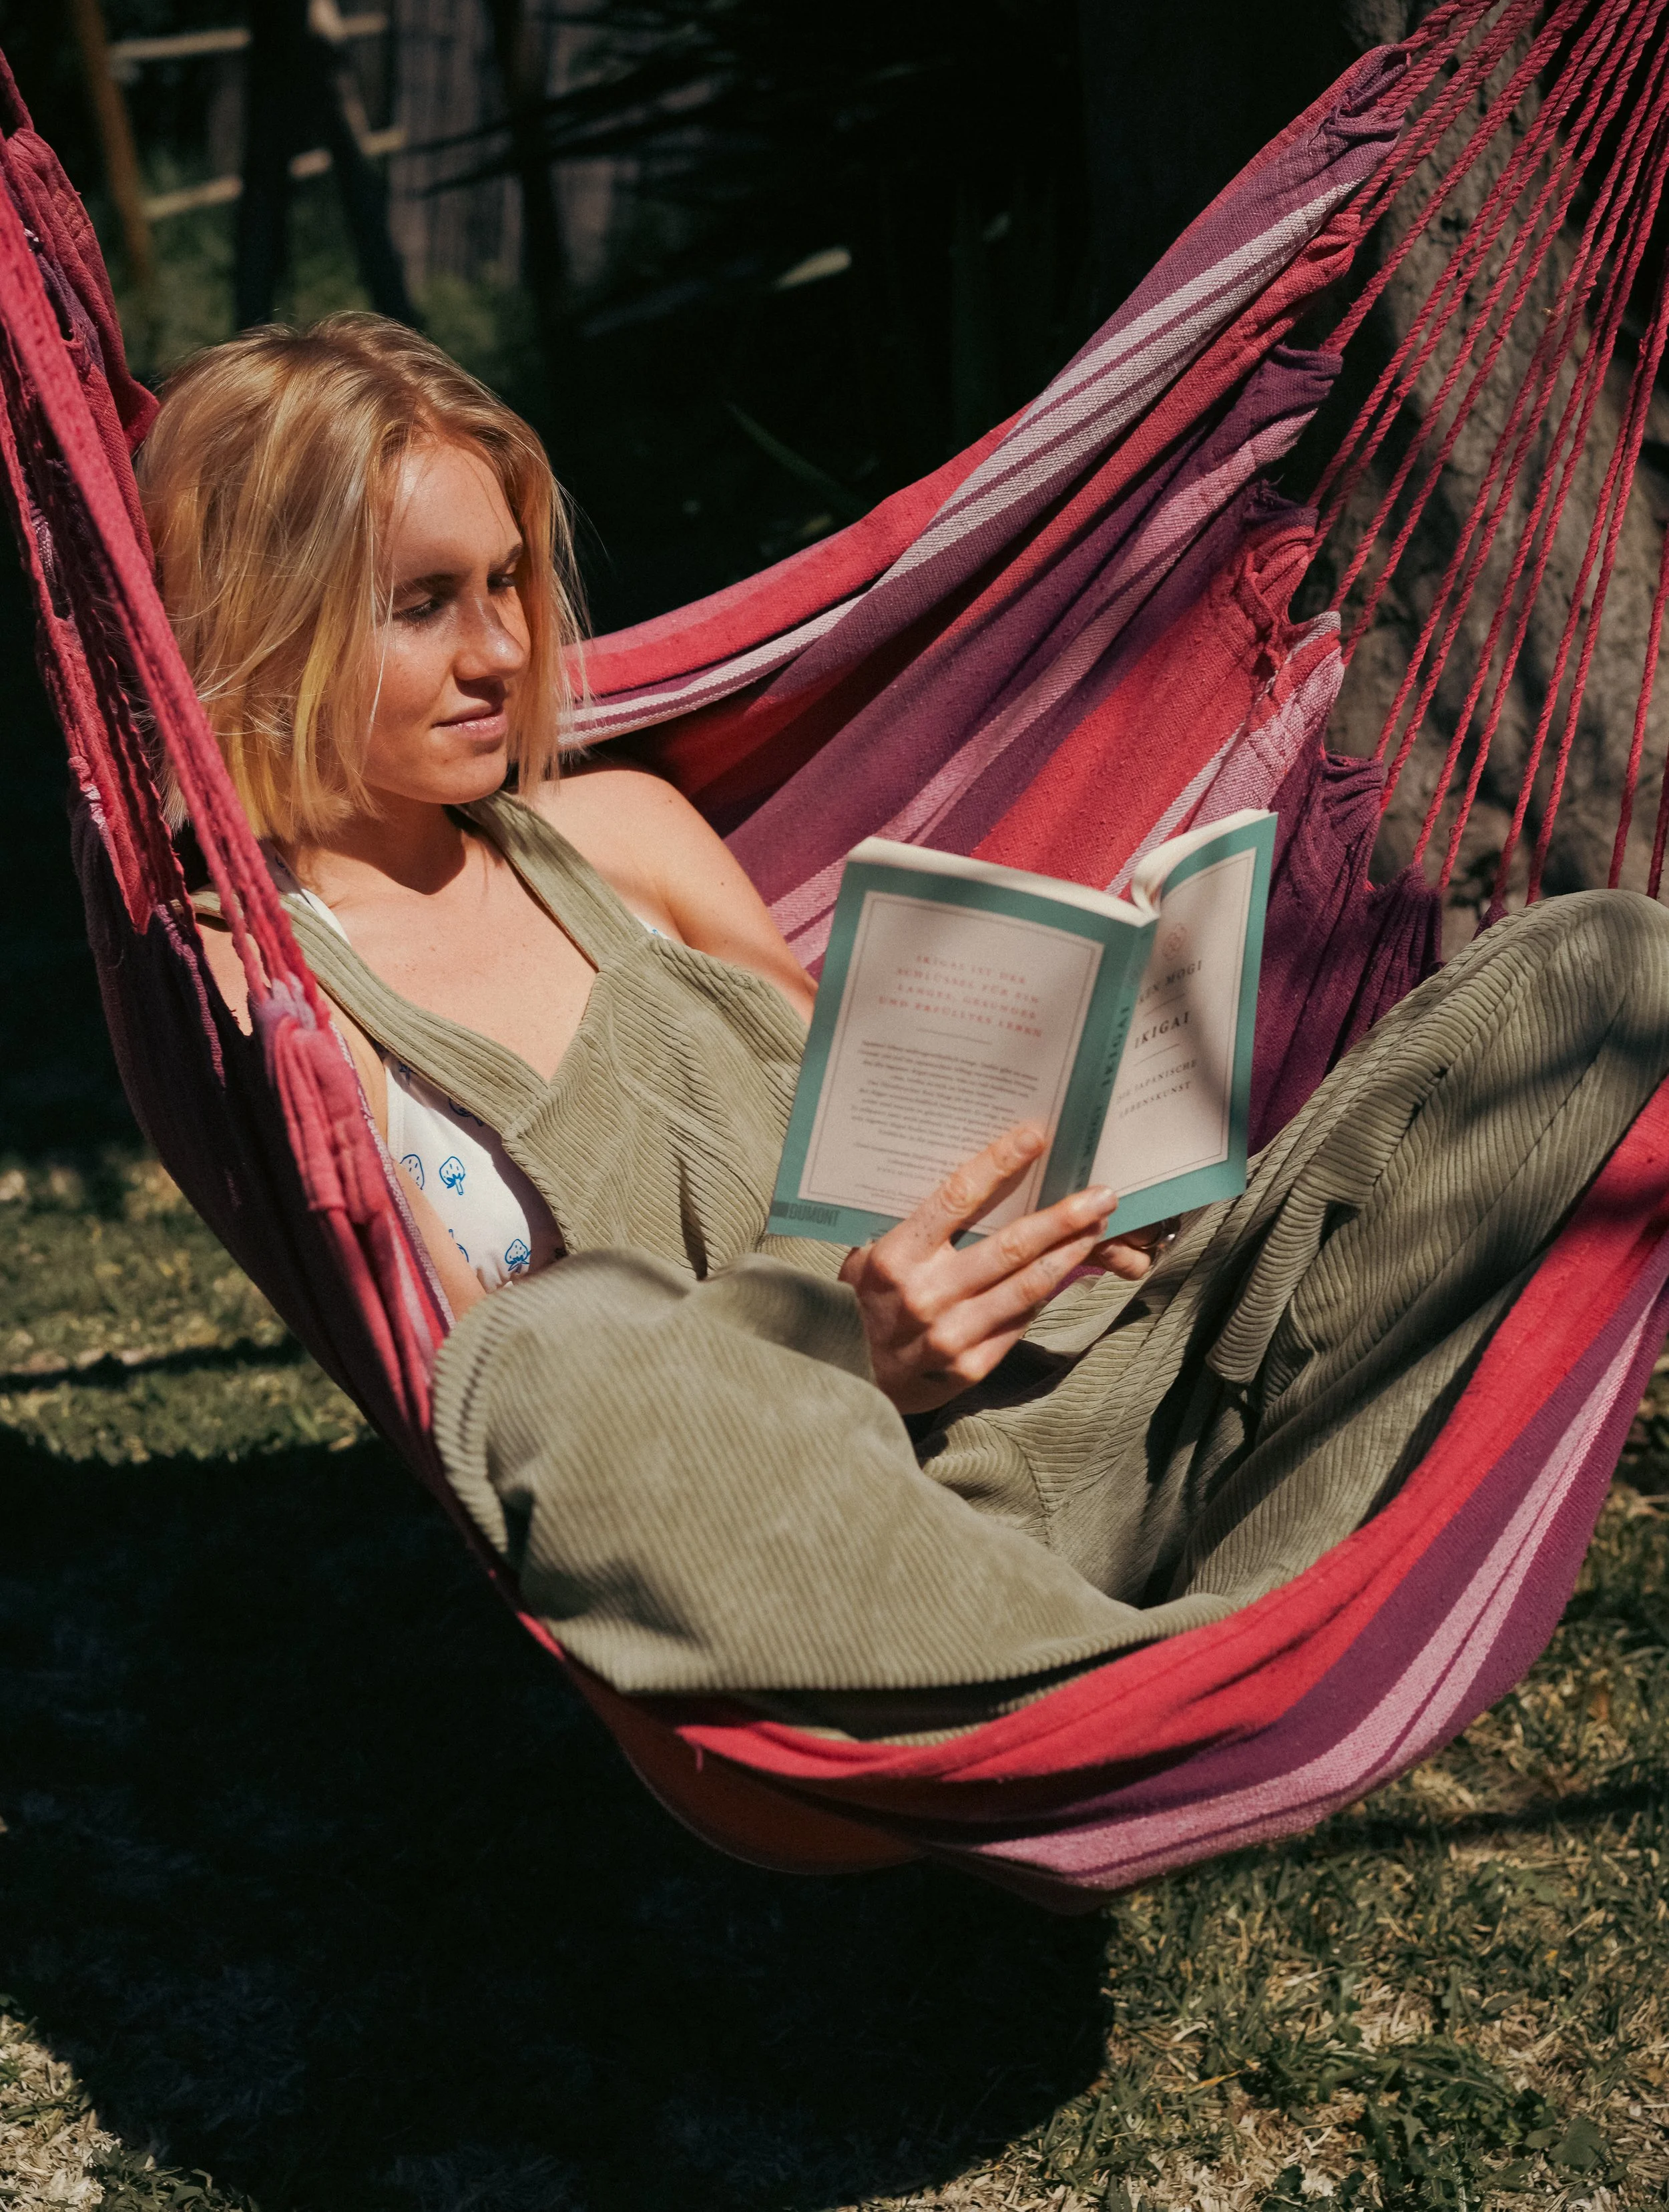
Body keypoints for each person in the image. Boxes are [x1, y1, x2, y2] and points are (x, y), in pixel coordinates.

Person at [144, 313, 1669, 1733]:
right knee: (549, 1350)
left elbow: (867, 1120)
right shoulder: (265, 993)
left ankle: (1251, 1634)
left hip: (1102, 1382)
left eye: (506, 585)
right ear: (265, 619)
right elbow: (531, 1429)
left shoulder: (624, 833)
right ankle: (1149, 1687)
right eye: (423, 605)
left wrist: (1069, 1178)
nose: (501, 653)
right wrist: (839, 1359)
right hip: (837, 1525)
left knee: (1597, 965)